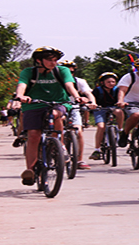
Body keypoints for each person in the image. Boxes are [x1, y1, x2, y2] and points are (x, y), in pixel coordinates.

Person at [15, 46, 88, 186]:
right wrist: (21, 96)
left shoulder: (62, 70)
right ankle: (30, 170)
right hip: (34, 105)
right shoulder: (29, 72)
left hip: (59, 102)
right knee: (34, 135)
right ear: (38, 60)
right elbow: (22, 85)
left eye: (55, 60)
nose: (53, 63)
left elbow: (69, 85)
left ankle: (60, 146)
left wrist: (77, 97)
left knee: (55, 114)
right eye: (49, 60)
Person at [58, 60, 96, 170]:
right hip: (58, 107)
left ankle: (79, 160)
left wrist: (92, 102)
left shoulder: (79, 81)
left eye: (72, 72)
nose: (68, 74)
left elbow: (88, 93)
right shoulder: (53, 81)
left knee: (78, 132)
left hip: (74, 107)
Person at [89, 72, 123, 161]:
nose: (111, 84)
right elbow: (91, 99)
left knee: (120, 112)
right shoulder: (97, 90)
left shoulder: (117, 90)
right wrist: (92, 104)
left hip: (113, 108)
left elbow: (122, 98)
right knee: (101, 127)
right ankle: (97, 149)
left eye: (113, 82)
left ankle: (120, 130)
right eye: (108, 82)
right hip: (100, 109)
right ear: (102, 83)